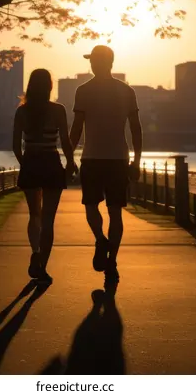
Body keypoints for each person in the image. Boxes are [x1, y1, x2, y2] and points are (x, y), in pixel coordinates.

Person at [70, 45, 142, 285]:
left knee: (91, 206)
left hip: (92, 157)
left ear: (101, 62)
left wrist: (69, 157)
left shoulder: (84, 91)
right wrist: (137, 160)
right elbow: (135, 128)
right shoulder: (126, 91)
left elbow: (77, 128)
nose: (91, 64)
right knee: (115, 211)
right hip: (118, 158)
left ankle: (100, 239)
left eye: (93, 60)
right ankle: (111, 260)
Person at [13, 68, 77, 285]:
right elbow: (66, 142)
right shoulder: (58, 110)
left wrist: (26, 164)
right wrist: (71, 162)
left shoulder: (22, 111)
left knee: (34, 215)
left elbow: (15, 146)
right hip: (51, 162)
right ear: (50, 86)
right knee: (49, 219)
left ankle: (34, 250)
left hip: (31, 160)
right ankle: (43, 265)